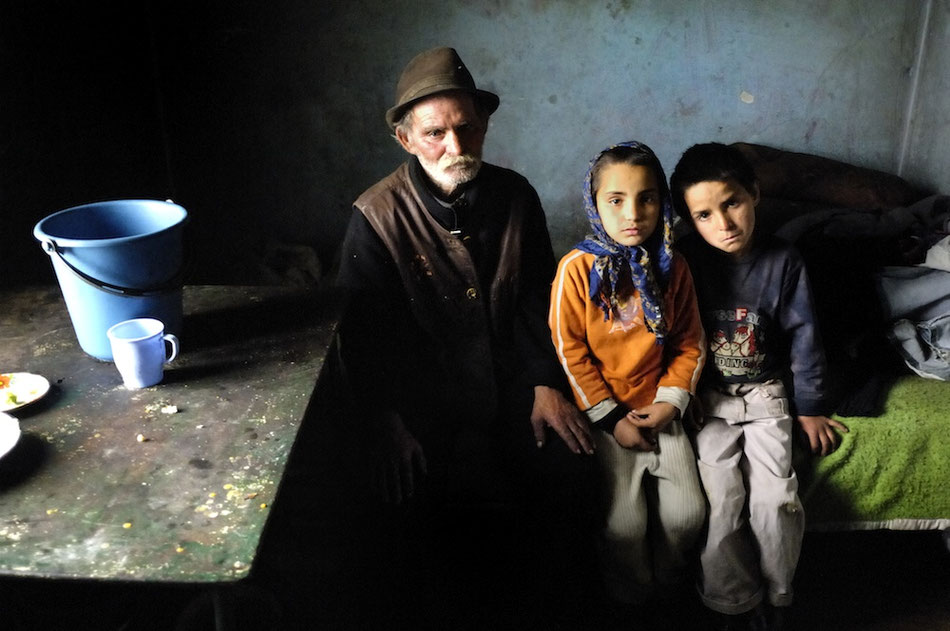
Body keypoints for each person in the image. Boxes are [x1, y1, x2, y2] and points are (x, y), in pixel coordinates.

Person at [335, 46, 597, 629]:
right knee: (394, 502)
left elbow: (538, 299)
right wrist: (386, 419)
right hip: (418, 397)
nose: (455, 148)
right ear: (406, 140)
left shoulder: (515, 194)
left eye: (466, 128)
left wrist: (543, 383)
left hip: (509, 382)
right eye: (435, 134)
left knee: (570, 472)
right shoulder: (375, 217)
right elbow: (363, 335)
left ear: (483, 126)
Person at [668, 142, 849, 630]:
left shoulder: (784, 262)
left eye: (732, 204)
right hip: (708, 401)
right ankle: (731, 600)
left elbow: (805, 337)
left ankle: (778, 594)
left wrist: (809, 407)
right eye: (703, 214)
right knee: (722, 500)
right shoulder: (683, 262)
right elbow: (670, 339)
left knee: (775, 500)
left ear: (754, 194)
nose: (723, 224)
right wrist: (679, 400)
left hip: (767, 395)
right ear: (687, 220)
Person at [548, 141, 707, 619]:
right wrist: (612, 418)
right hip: (608, 419)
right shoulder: (575, 271)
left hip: (660, 410)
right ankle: (630, 597)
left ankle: (672, 583)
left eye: (648, 198)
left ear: (664, 202)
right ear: (593, 204)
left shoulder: (674, 268)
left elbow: (690, 343)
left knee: (688, 516)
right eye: (615, 200)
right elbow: (569, 351)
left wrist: (669, 404)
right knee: (622, 528)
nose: (633, 213)